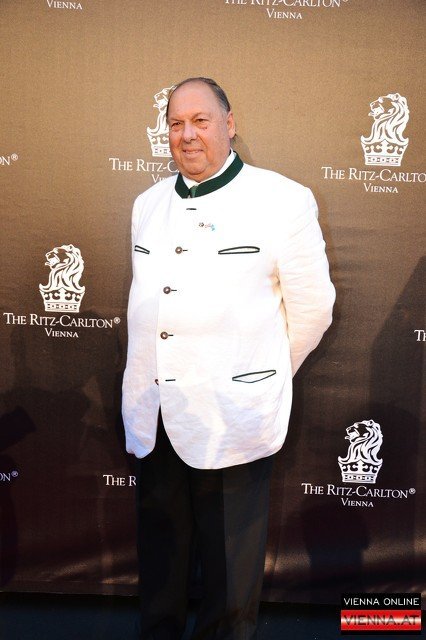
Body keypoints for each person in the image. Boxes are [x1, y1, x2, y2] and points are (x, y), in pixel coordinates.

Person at [122, 77, 335, 640]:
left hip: (232, 418)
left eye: (201, 120)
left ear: (230, 124)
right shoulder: (147, 204)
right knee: (160, 567)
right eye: (175, 123)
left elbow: (313, 310)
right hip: (155, 414)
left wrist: (256, 376)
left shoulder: (283, 200)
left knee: (228, 584)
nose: (187, 134)